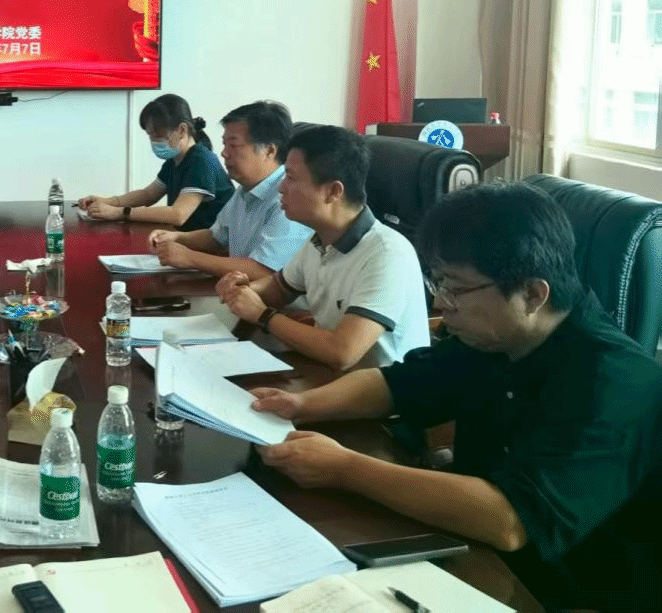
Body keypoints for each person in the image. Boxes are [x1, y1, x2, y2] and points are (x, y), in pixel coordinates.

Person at [251, 182, 662, 612]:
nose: (442, 304)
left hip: (567, 588)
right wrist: (301, 405)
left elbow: (511, 520)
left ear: (532, 294)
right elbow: (397, 385)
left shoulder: (612, 384)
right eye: (438, 283)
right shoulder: (494, 335)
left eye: (456, 289)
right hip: (473, 549)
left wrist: (344, 468)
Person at [216, 125, 428, 370]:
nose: (281, 187)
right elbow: (279, 289)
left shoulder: (387, 253)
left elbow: (342, 352)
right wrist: (242, 290)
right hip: (330, 375)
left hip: (384, 388)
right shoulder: (319, 240)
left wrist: (262, 315)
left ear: (333, 191)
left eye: (291, 177)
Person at [148, 101, 311, 278]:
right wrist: (177, 238)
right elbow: (217, 237)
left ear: (269, 150)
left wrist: (189, 258)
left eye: (233, 145)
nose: (224, 153)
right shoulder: (244, 189)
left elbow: (264, 270)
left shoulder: (289, 197)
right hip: (237, 290)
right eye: (224, 144)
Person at [78, 93, 233, 232]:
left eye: (158, 135)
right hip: (186, 239)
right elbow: (148, 195)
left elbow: (178, 214)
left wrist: (120, 212)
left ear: (181, 130)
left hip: (211, 248)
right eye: (150, 135)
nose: (154, 141)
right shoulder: (175, 160)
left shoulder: (202, 160)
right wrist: (107, 202)